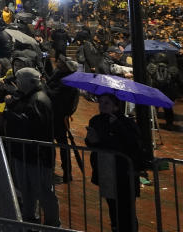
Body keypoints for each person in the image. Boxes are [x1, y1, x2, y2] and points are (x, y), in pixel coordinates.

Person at [0, 67, 60, 228]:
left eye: (19, 80)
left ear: (27, 82)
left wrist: (9, 113)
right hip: (25, 152)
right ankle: (29, 218)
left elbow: (31, 125)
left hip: (36, 155)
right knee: (26, 190)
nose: (17, 83)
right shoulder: (29, 96)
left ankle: (52, 223)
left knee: (42, 191)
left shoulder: (38, 99)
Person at [86, 93, 144, 232]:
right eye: (100, 102)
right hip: (106, 170)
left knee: (126, 209)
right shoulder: (96, 120)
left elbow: (133, 144)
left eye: (106, 103)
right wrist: (90, 141)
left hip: (124, 173)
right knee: (112, 207)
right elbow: (92, 143)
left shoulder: (126, 123)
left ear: (116, 106)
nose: (101, 105)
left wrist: (117, 126)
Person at [46, 56, 80, 182]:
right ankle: (53, 169)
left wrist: (44, 87)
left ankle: (66, 172)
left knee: (60, 144)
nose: (58, 62)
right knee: (55, 143)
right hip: (53, 114)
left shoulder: (68, 82)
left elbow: (56, 96)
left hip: (59, 116)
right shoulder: (58, 74)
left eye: (61, 62)